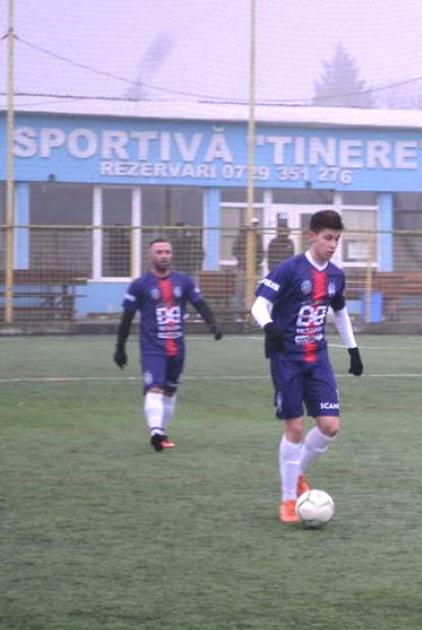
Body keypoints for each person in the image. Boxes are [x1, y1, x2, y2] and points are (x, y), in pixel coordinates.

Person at [250, 209, 364, 524]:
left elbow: (339, 312)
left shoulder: (336, 275)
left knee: (330, 426)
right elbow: (259, 305)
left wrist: (353, 349)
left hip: (318, 358)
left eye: (337, 239)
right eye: (328, 238)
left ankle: (296, 471)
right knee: (296, 427)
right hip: (287, 358)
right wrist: (269, 326)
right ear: (312, 236)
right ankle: (288, 500)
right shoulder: (289, 269)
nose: (332, 245)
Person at [113, 237, 223, 451]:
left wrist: (213, 324)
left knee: (170, 392)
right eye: (159, 252)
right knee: (154, 388)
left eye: (167, 252)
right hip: (152, 348)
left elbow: (200, 304)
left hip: (177, 348)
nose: (164, 256)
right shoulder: (140, 285)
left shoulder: (184, 281)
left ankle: (161, 433)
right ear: (150, 256)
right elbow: (127, 317)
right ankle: (155, 431)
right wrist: (120, 347)